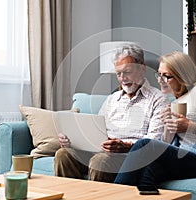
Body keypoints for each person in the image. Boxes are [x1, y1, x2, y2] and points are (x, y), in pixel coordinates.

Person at [114, 51, 196, 187]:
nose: (160, 80)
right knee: (148, 171)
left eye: (166, 76)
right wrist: (167, 126)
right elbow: (169, 145)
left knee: (145, 144)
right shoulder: (173, 103)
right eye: (159, 75)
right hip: (185, 158)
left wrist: (190, 126)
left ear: (182, 76)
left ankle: (114, 194)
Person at [54, 44, 168, 183]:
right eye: (118, 74)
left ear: (141, 69)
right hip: (102, 151)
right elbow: (95, 130)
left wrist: (125, 146)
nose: (122, 78)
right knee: (64, 154)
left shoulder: (157, 99)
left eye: (127, 72)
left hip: (130, 157)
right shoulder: (112, 99)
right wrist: (73, 141)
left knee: (100, 161)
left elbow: (153, 143)